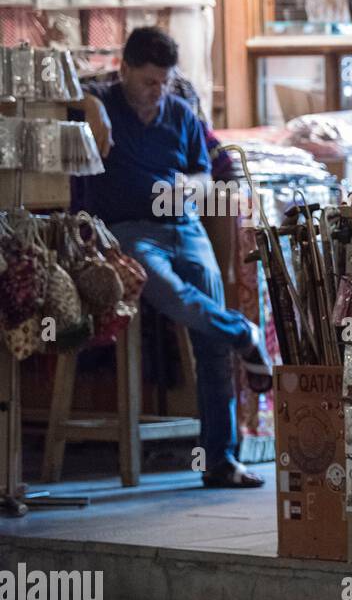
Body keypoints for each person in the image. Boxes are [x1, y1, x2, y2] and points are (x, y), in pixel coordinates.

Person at [79, 27, 272, 488]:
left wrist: (192, 187)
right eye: (148, 82)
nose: (157, 91)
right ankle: (241, 330)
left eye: (164, 82)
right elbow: (66, 88)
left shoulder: (181, 113)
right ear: (123, 71)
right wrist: (89, 106)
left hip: (183, 227)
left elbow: (208, 178)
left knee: (208, 331)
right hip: (128, 231)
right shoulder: (101, 103)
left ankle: (219, 461)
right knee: (166, 289)